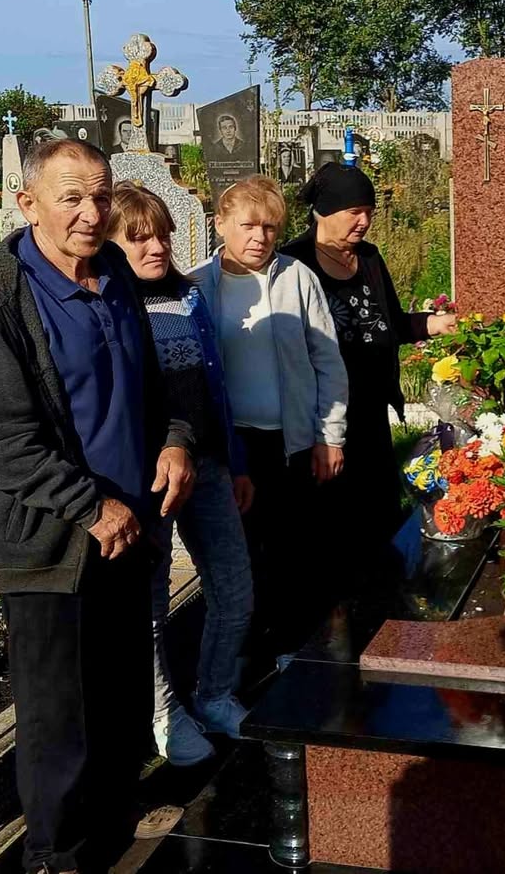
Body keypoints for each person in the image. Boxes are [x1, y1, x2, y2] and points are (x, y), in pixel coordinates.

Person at [0, 139, 195, 874]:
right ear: (26, 204)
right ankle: (55, 853)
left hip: (129, 526)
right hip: (51, 540)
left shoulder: (114, 270)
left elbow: (151, 383)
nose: (91, 213)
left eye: (100, 195)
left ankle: (116, 824)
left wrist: (175, 441)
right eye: (71, 198)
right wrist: (90, 506)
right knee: (58, 715)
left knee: (121, 694)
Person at [108, 184, 254, 767]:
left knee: (235, 589)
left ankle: (214, 694)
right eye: (139, 238)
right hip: (151, 478)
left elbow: (214, 389)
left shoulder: (187, 295)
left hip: (209, 464)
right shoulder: (113, 304)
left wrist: (235, 462)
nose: (156, 248)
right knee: (152, 605)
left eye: (162, 236)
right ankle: (165, 713)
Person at [191, 176, 347, 666]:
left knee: (291, 550)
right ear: (220, 224)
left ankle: (290, 649)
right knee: (241, 554)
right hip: (231, 445)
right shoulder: (197, 286)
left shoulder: (296, 278)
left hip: (289, 441)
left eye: (270, 228)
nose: (260, 237)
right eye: (248, 226)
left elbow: (327, 359)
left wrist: (330, 434)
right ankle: (244, 653)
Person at [283, 162, 458, 543]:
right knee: (329, 521)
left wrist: (435, 323)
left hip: (371, 410)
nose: (364, 222)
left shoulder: (369, 258)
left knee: (377, 516)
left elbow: (390, 322)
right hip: (321, 414)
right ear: (325, 211)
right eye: (354, 212)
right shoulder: (294, 263)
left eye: (369, 213)